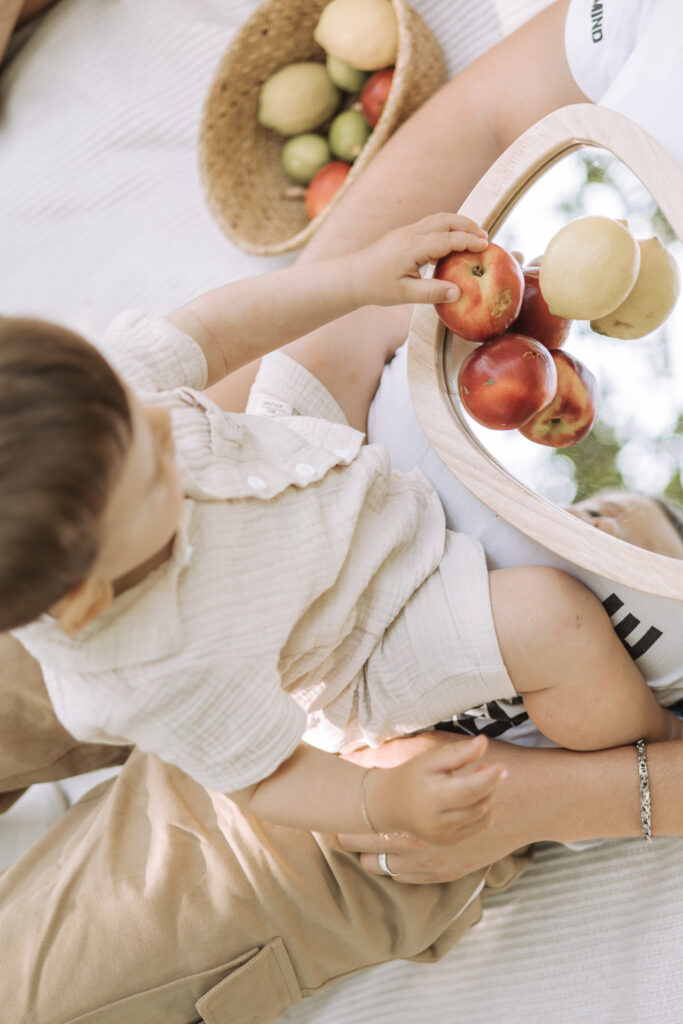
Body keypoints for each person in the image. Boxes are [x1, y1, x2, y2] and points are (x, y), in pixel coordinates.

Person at [1, 0, 683, 1022]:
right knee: (546, 617)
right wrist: (376, 795)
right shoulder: (139, 658)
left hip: (345, 551)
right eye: (149, 467)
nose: (173, 432)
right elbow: (268, 772)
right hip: (341, 618)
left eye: (147, 420)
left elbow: (210, 338)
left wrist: (520, 798)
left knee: (27, 980)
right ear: (87, 600)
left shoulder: (136, 415)